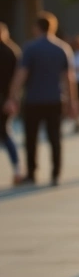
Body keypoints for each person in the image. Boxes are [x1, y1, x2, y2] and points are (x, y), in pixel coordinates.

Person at [4, 12, 77, 186]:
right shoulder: (63, 48)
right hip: (55, 99)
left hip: (34, 99)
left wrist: (12, 96)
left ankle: (31, 172)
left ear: (37, 27)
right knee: (55, 138)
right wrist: (72, 101)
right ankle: (55, 173)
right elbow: (68, 77)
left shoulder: (30, 48)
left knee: (31, 138)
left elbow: (21, 75)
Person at [0, 24, 20, 185]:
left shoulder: (10, 52)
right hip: (7, 99)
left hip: (5, 99)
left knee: (5, 133)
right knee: (6, 133)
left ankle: (17, 169)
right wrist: (13, 98)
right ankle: (17, 169)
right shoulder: (13, 51)